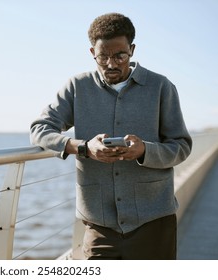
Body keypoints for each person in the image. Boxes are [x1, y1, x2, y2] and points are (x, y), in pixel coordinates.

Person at [30, 13, 192, 260]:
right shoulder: (77, 87)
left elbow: (181, 146)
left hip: (154, 221)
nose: (111, 64)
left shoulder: (161, 87)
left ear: (132, 50)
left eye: (120, 56)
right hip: (99, 224)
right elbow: (39, 129)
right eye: (103, 56)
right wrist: (83, 147)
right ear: (92, 52)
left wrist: (145, 151)